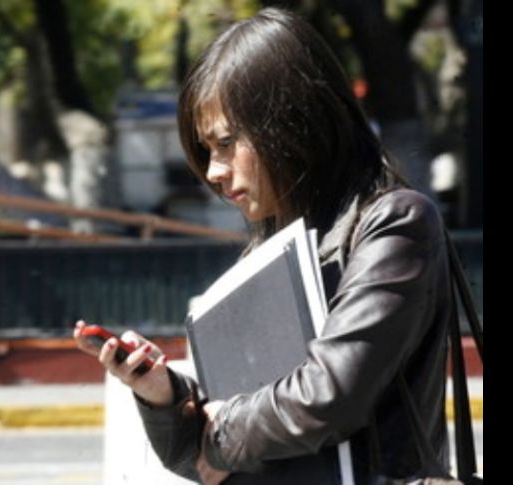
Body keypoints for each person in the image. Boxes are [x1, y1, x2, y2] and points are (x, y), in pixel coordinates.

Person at [74, 7, 452, 484]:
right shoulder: (271, 248)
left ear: (293, 123)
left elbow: (328, 396)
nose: (213, 171)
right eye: (206, 151)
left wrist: (217, 435)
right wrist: (164, 394)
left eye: (226, 143)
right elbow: (209, 458)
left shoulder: (393, 222)